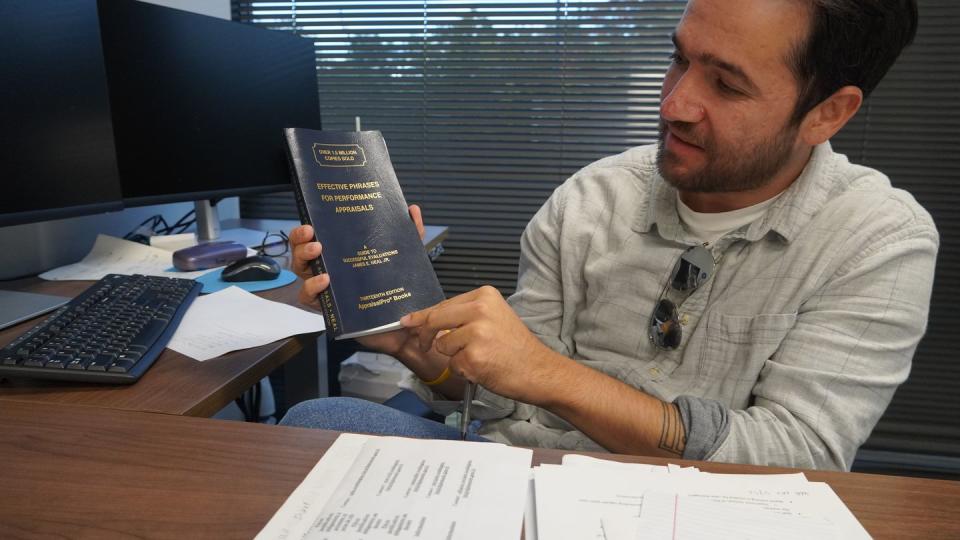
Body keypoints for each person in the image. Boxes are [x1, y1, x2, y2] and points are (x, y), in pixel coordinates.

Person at [282, 0, 937, 471]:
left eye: (727, 84)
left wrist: (554, 376)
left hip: (709, 509)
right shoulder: (593, 198)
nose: (674, 103)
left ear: (828, 113)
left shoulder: (878, 240)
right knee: (314, 428)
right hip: (528, 479)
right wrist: (425, 352)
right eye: (678, 59)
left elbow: (799, 455)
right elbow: (509, 404)